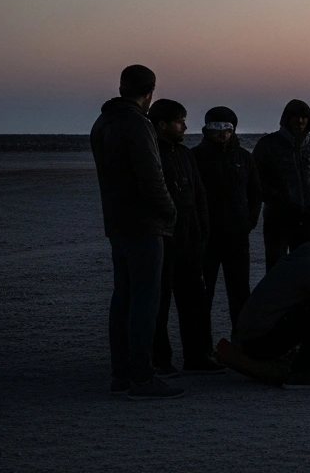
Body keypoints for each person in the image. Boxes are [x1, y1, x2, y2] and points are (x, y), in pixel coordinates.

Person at [90, 64, 183, 400]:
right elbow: (151, 178)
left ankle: (122, 373)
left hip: (117, 224)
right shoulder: (137, 124)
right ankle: (142, 377)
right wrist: (170, 212)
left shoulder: (102, 123)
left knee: (124, 298)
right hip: (143, 225)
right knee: (144, 301)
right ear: (150, 92)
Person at [221, 230, 310, 388]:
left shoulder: (297, 259)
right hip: (259, 343)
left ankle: (299, 364)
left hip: (251, 337)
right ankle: (301, 373)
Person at [148, 99, 222, 376]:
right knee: (160, 301)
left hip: (190, 240)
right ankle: (160, 359)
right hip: (163, 239)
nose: (185, 126)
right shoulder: (152, 155)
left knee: (195, 300)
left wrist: (202, 231)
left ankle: (198, 356)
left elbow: (199, 194)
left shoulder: (184, 154)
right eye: (180, 121)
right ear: (163, 124)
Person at [192, 105, 262, 332]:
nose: (221, 133)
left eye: (227, 128)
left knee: (240, 291)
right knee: (203, 292)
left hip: (237, 236)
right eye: (216, 127)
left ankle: (241, 342)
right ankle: (202, 349)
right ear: (206, 129)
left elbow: (255, 193)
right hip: (206, 237)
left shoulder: (244, 158)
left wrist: (249, 222)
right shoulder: (195, 158)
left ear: (233, 130)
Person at [254, 99, 310, 269]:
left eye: (304, 117)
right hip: (277, 220)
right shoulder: (268, 144)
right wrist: (280, 198)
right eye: (295, 116)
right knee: (276, 269)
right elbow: (255, 180)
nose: (300, 121)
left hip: (305, 219)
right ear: (287, 118)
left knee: (303, 268)